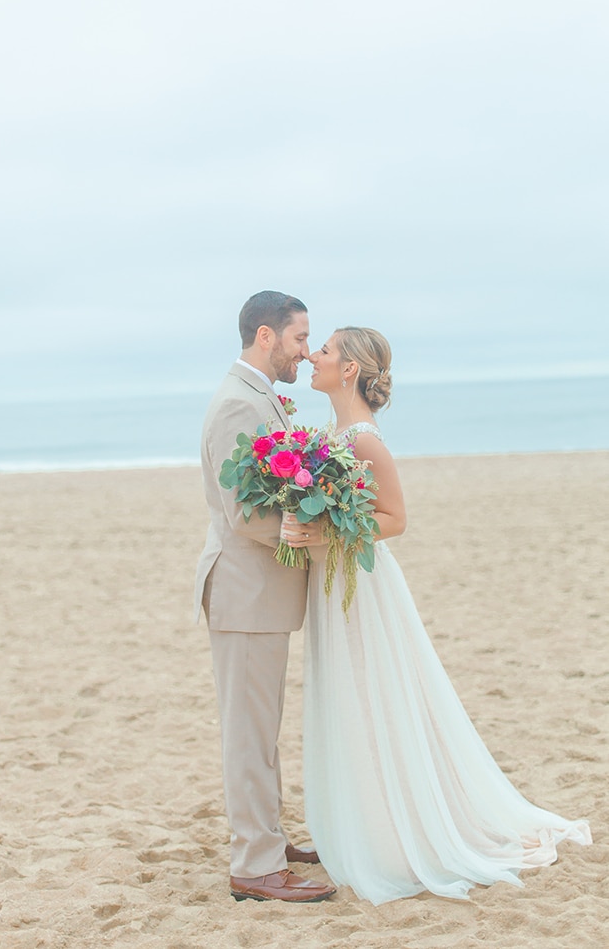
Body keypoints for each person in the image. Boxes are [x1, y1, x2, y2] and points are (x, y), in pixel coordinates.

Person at [281, 326, 592, 905]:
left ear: (348, 370)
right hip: (332, 581)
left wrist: (326, 528)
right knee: (349, 699)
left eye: (324, 350)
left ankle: (397, 830)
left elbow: (395, 519)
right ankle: (367, 818)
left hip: (362, 585)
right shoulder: (330, 434)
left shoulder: (364, 440)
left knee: (374, 699)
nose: (314, 356)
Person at [195, 290, 335, 903]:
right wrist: (314, 531)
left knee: (263, 725)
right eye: (301, 339)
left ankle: (270, 840)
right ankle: (254, 865)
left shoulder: (259, 398)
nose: (306, 352)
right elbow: (244, 511)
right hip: (244, 593)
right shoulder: (236, 404)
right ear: (265, 336)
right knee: (249, 733)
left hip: (260, 594)